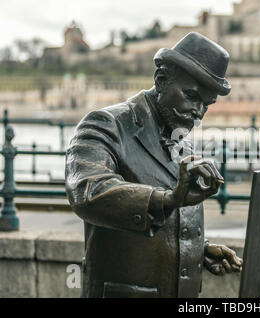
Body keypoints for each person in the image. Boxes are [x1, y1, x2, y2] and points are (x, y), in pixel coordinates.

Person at [65, 32, 242, 298]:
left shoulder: (182, 143)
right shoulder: (106, 125)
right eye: (191, 96)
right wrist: (169, 199)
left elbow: (165, 220)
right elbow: (88, 191)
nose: (198, 112)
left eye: (206, 104)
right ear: (161, 81)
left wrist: (196, 249)